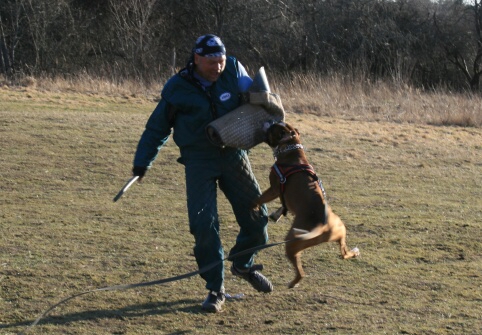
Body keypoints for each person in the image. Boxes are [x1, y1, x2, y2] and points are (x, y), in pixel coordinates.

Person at [132, 34, 279, 313]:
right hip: (198, 160)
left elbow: (259, 101)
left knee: (257, 218)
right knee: (203, 225)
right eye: (212, 62)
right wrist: (142, 163)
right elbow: (156, 129)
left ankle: (242, 265)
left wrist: (270, 110)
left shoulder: (234, 71)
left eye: (221, 61)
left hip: (234, 155)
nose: (217, 68)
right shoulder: (178, 88)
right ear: (197, 59)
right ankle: (215, 289)